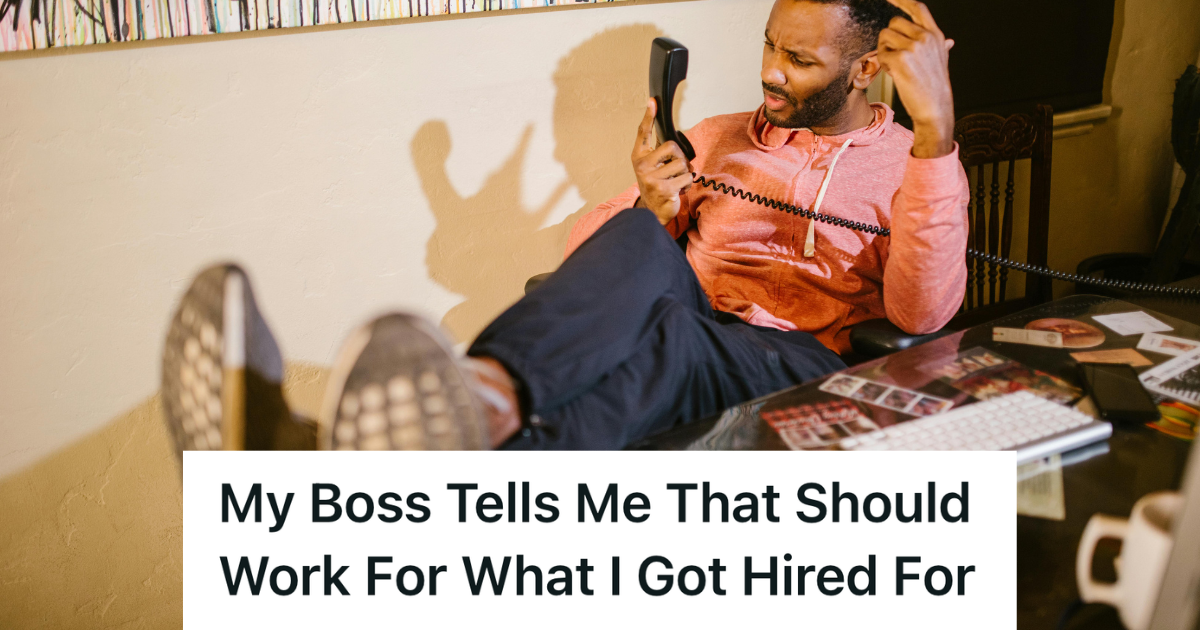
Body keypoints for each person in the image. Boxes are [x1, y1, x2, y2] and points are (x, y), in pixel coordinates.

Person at [160, 0, 968, 456]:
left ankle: (320, 458)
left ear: (864, 71)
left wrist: (934, 136)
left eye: (799, 59)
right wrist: (650, 204)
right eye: (769, 46)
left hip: (790, 358)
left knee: (668, 346)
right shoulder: (718, 135)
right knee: (632, 240)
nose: (770, 71)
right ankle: (479, 404)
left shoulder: (914, 160)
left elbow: (922, 316)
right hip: (680, 314)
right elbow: (590, 273)